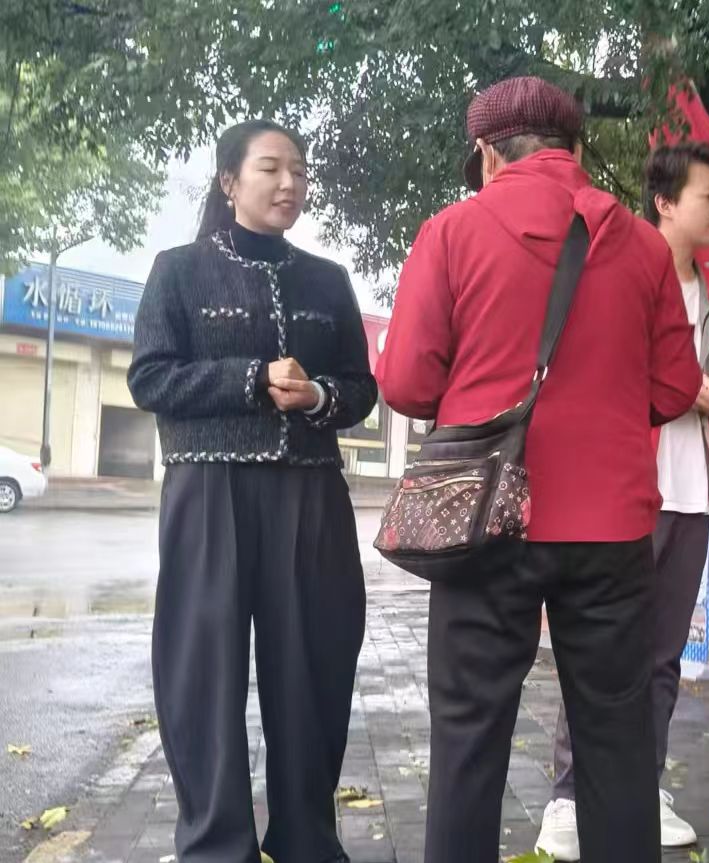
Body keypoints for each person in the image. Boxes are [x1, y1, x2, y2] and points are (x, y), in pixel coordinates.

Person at [375, 76, 702, 863]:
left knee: (468, 735)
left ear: (487, 154)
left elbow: (407, 384)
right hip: (612, 528)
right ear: (576, 148)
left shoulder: (451, 231)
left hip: (483, 522)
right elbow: (674, 388)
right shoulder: (643, 245)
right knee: (616, 739)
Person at [127, 119, 377, 863]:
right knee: (202, 673)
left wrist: (318, 396)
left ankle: (306, 840)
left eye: (298, 170)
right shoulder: (178, 270)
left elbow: (360, 387)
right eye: (270, 168)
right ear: (230, 181)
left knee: (315, 668)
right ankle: (215, 844)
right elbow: (151, 377)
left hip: (311, 496)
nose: (289, 183)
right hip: (209, 492)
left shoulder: (327, 280)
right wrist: (250, 380)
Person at [536, 142, 709, 859]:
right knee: (599, 651)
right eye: (706, 197)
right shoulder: (611, 269)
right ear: (664, 202)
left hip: (692, 494)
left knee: (663, 655)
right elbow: (587, 369)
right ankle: (569, 797)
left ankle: (643, 785)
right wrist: (673, 385)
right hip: (619, 490)